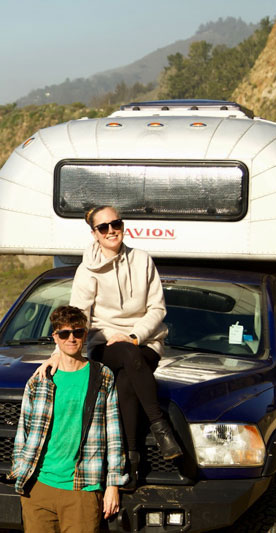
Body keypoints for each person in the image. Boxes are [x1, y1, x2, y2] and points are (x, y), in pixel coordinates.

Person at [36, 205, 181, 488]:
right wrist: (58, 352)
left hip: (145, 342)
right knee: (125, 355)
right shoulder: (86, 270)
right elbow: (78, 315)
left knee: (126, 382)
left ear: (122, 225)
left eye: (116, 223)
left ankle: (131, 461)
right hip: (106, 345)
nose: (111, 230)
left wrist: (135, 335)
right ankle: (159, 425)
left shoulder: (142, 260)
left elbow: (156, 308)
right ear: (94, 234)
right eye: (103, 227)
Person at [10, 305, 127, 533]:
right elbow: (22, 432)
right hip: (38, 488)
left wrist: (113, 485)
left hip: (82, 489)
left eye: (77, 332)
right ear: (55, 337)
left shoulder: (102, 376)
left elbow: (113, 436)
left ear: (85, 334)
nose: (71, 338)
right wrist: (19, 470)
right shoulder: (40, 379)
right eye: (64, 333)